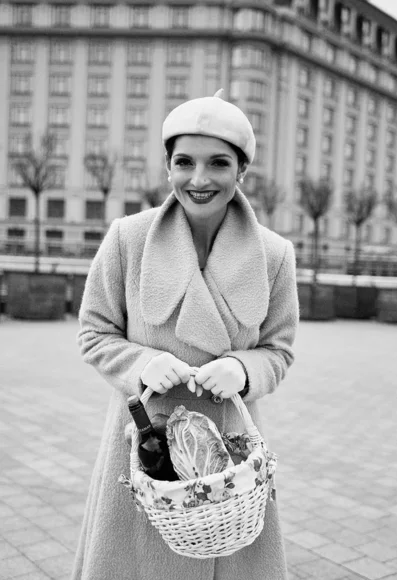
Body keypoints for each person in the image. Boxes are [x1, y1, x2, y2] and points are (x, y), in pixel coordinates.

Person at [71, 90, 299, 580]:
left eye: (218, 163)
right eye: (184, 162)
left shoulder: (274, 254)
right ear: (167, 167)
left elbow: (278, 350)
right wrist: (140, 365)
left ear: (241, 171)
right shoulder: (127, 239)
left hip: (231, 462)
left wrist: (242, 368)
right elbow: (93, 332)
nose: (199, 179)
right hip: (145, 448)